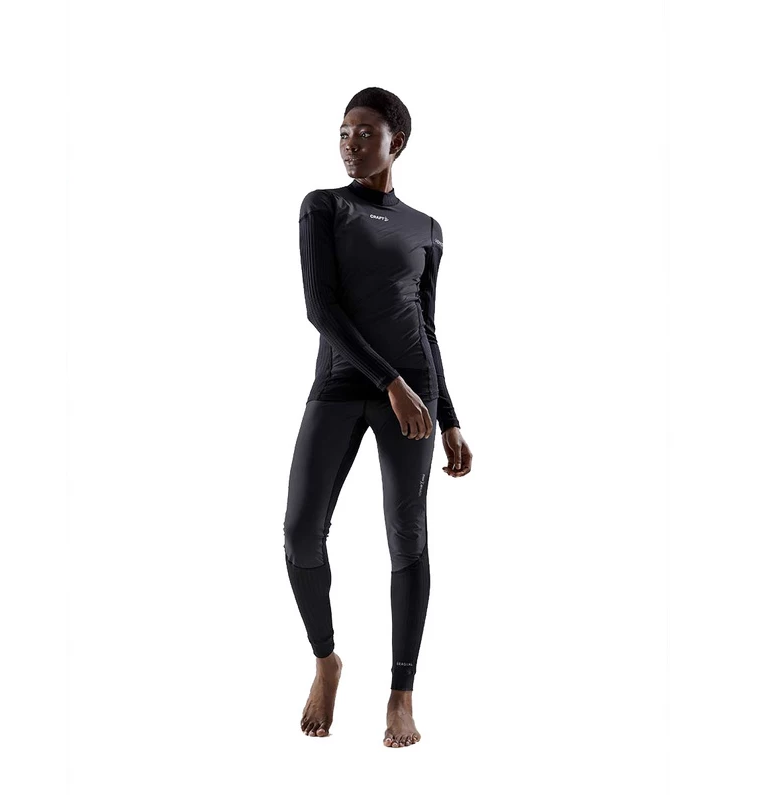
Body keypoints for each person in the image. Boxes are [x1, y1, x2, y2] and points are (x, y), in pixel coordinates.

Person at [283, 87, 473, 748]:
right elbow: (320, 308)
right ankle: (325, 659)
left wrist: (448, 416)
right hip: (343, 387)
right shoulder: (324, 207)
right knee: (300, 530)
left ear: (398, 142)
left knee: (407, 534)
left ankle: (401, 694)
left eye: (365, 133)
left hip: (415, 394)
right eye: (344, 132)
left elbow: (425, 325)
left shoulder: (427, 229)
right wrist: (389, 381)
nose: (351, 144)